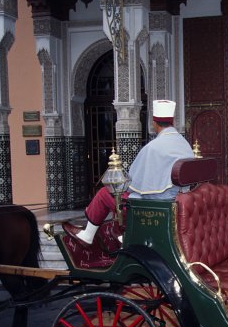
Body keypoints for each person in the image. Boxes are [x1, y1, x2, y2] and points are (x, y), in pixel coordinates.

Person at [63, 100, 194, 245]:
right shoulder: (184, 144)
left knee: (105, 193)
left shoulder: (152, 148)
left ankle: (88, 235)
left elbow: (131, 184)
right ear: (173, 121)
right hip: (178, 202)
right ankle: (124, 233)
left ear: (154, 123)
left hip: (154, 208)